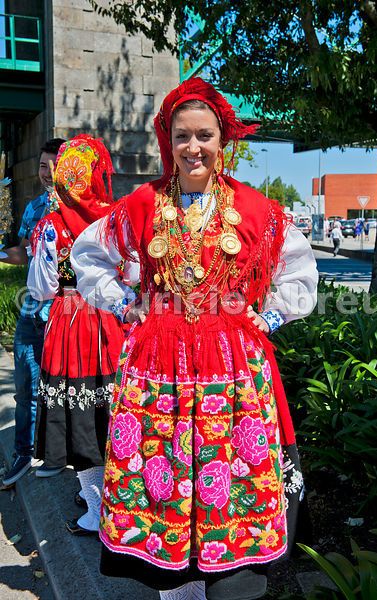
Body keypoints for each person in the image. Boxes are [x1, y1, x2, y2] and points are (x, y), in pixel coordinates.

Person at [71, 78, 318, 599]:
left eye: (204, 135)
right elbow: (89, 254)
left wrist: (266, 321)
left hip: (230, 362)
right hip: (159, 359)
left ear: (222, 141)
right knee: (161, 462)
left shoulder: (255, 209)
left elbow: (299, 273)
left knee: (232, 466)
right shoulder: (141, 204)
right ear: (169, 141)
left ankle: (230, 570)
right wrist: (126, 304)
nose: (193, 148)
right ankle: (174, 575)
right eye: (182, 136)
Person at [27, 135, 130, 535]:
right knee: (113, 413)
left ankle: (94, 509)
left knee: (78, 417)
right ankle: (121, 503)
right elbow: (135, 277)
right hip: (113, 323)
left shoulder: (51, 225)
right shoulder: (118, 219)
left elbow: (41, 288)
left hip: (70, 324)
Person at [2, 138, 65, 487]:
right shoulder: (33, 208)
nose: (48, 172)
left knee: (62, 387)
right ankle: (23, 453)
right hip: (30, 310)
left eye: (54, 165)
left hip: (66, 313)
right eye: (43, 165)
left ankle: (58, 453)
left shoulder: (80, 210)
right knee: (25, 385)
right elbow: (25, 254)